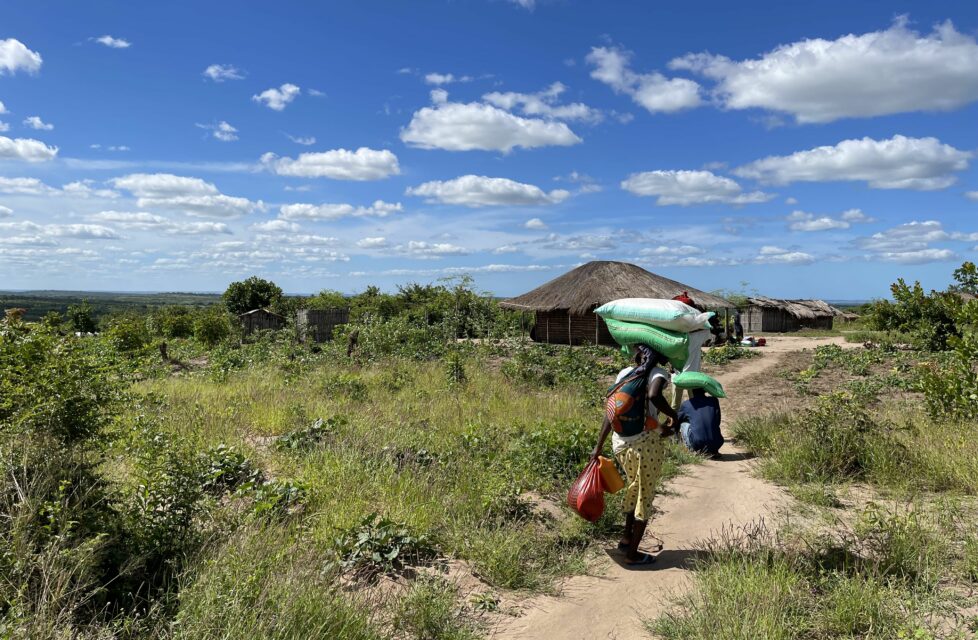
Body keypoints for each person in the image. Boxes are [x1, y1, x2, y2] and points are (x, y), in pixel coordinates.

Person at [591, 345, 679, 566]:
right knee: (643, 495)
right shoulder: (658, 374)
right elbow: (654, 395)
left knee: (634, 487)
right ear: (661, 354)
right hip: (643, 446)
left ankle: (626, 538)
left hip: (620, 443)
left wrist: (598, 446)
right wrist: (672, 414)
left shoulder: (625, 373)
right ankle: (632, 555)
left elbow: (611, 412)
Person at [678, 388, 723, 457]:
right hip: (717, 443)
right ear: (705, 390)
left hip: (697, 444)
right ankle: (713, 451)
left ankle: (693, 450)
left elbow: (678, 419)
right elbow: (717, 420)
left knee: (683, 424)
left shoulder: (687, 404)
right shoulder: (714, 401)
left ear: (692, 391)